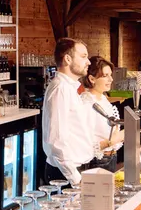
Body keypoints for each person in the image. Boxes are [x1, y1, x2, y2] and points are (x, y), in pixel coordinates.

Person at [42, 38, 102, 186]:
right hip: (67, 174)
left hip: (78, 170)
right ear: (68, 59)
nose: (88, 62)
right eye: (83, 56)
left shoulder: (70, 88)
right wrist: (75, 178)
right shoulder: (60, 89)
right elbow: (55, 141)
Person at [80, 56, 122, 171]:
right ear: (92, 79)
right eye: (105, 76)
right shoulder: (86, 103)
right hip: (98, 162)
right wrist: (116, 139)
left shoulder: (102, 98)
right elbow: (87, 145)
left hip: (110, 158)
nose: (111, 79)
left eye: (110, 75)